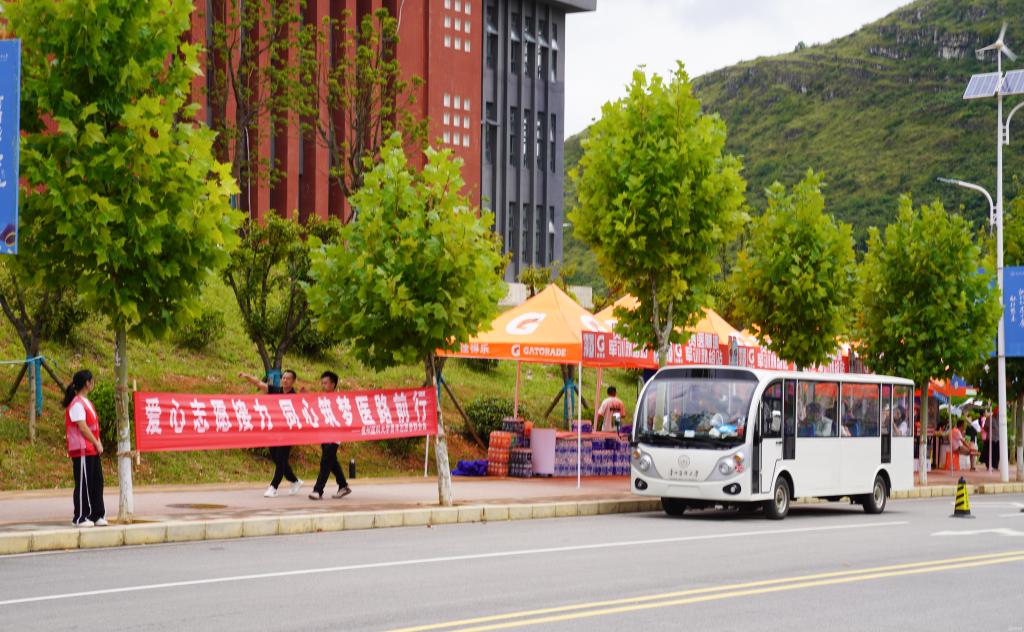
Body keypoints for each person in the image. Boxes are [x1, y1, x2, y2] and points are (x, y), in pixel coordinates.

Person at [239, 369, 303, 497]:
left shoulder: (295, 397)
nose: (285, 380)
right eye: (283, 378)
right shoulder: (275, 390)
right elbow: (259, 383)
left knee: (281, 459)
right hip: (274, 431)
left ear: (293, 381)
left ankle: (273, 487)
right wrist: (247, 376)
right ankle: (295, 481)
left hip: (288, 433)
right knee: (276, 458)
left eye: (288, 378)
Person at [64, 370, 107, 527]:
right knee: (83, 483)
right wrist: (96, 442)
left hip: (91, 449)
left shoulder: (87, 402)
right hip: (82, 449)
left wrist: (98, 442)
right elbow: (82, 427)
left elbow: (92, 426)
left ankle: (97, 514)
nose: (92, 383)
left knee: (97, 482)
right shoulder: (76, 403)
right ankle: (80, 516)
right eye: (91, 381)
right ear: (87, 383)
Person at [309, 371, 352, 500]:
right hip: (323, 434)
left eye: (326, 383)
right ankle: (343, 485)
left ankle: (318, 490)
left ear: (333, 384)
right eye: (322, 383)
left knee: (325, 461)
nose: (323, 385)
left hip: (335, 435)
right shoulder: (321, 399)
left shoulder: (340, 400)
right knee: (331, 461)